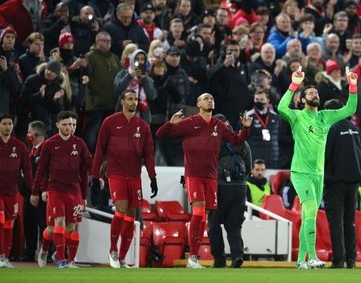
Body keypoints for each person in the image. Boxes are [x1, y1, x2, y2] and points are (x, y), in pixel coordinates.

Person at [156, 93, 252, 269]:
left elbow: (237, 140)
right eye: (206, 98)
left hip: (211, 176)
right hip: (194, 174)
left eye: (212, 99)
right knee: (199, 213)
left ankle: (193, 257)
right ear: (198, 103)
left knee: (203, 217)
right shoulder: (189, 123)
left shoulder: (219, 125)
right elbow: (161, 134)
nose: (210, 100)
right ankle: (193, 258)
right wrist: (171, 123)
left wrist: (245, 128)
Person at [277, 65, 358, 269]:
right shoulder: (297, 117)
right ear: (303, 99)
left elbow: (350, 109)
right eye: (310, 92)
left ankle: (300, 261)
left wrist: (353, 86)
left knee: (308, 216)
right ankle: (312, 256)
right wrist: (294, 84)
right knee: (311, 209)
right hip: (300, 172)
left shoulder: (325, 117)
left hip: (318, 174)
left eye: (316, 92)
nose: (315, 94)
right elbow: (281, 108)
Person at [91, 89, 158, 269]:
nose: (133, 102)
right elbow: (99, 150)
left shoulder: (143, 126)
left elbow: (149, 154)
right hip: (116, 173)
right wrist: (95, 174)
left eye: (135, 99)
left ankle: (121, 257)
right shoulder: (110, 123)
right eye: (129, 99)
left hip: (134, 175)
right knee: (120, 208)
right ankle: (112, 250)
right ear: (122, 101)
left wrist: (153, 177)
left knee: (131, 215)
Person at [30, 111, 92, 269]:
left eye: (71, 125)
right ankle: (61, 260)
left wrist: (96, 179)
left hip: (75, 191)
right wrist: (37, 191)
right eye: (65, 124)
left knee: (71, 227)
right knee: (59, 222)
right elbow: (41, 170)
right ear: (57, 125)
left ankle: (66, 258)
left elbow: (87, 168)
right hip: (55, 189)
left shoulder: (80, 144)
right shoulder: (50, 144)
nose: (69, 128)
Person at [323, 98, 361, 269]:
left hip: (335, 183)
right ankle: (351, 260)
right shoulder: (353, 128)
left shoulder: (331, 129)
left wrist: (325, 178)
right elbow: (360, 154)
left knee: (336, 222)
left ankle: (339, 260)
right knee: (350, 222)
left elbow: (325, 156)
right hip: (353, 181)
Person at [208, 114, 251, 269]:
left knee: (214, 225)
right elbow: (249, 166)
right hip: (239, 187)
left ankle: (219, 260)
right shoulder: (242, 141)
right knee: (234, 225)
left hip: (218, 186)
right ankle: (237, 255)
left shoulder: (213, 140)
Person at [0, 114, 32, 268]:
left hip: (11, 192)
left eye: (10, 123)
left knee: (8, 225)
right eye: (4, 123)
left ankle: (4, 258)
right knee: (0, 222)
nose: (7, 126)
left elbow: (27, 171)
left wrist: (34, 190)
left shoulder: (19, 146)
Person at [22, 120, 47, 262]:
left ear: (36, 135)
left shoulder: (46, 149)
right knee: (29, 224)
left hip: (41, 195)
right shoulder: (30, 150)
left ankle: (46, 253)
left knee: (43, 224)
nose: (27, 135)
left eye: (29, 132)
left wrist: (38, 192)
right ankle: (29, 253)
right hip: (28, 194)